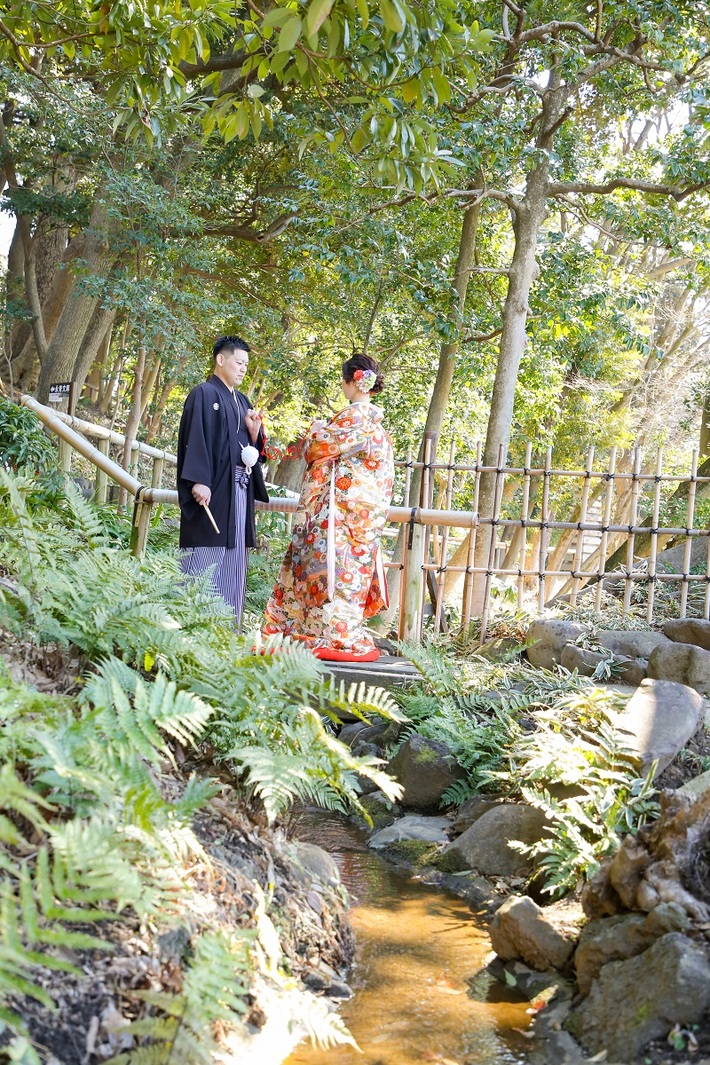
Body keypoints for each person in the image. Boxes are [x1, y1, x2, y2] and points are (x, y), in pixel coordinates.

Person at [263, 354, 394, 661]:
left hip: (338, 514)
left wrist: (316, 428)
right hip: (365, 517)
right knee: (352, 574)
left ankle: (326, 633)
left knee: (329, 572)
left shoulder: (352, 418)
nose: (343, 386)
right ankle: (345, 631)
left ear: (353, 382)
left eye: (344, 380)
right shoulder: (377, 426)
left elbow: (316, 448)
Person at [177, 335, 269, 624]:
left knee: (235, 551)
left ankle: (227, 626)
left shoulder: (242, 401)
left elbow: (252, 450)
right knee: (207, 547)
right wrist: (198, 480)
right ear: (220, 359)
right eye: (239, 362)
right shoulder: (203, 393)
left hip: (238, 491)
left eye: (246, 365)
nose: (243, 369)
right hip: (213, 489)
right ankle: (192, 621)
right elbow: (195, 438)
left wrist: (254, 432)